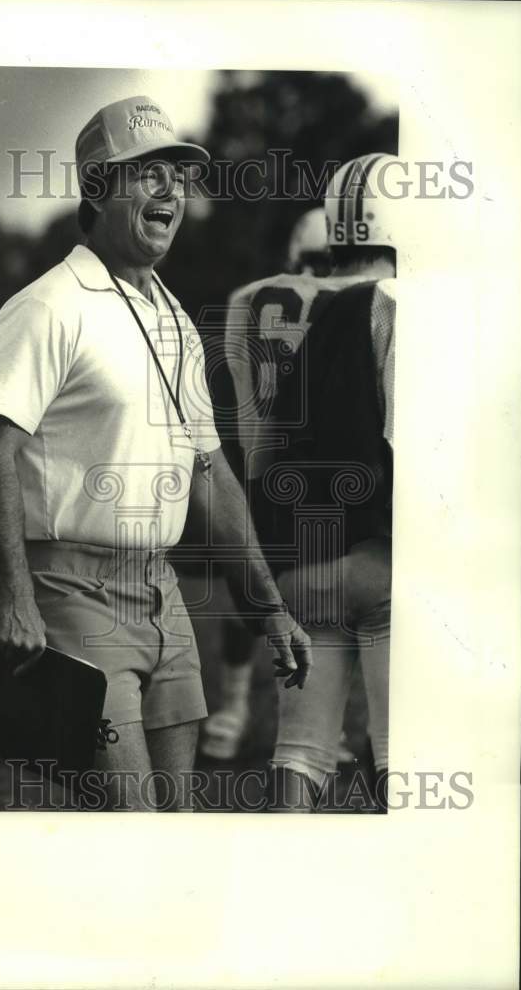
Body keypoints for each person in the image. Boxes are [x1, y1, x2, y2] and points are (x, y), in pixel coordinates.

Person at [0, 95, 311, 812]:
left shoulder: (174, 315)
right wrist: (16, 599)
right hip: (72, 593)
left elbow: (210, 475)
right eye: (147, 173)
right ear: (97, 188)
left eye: (178, 178)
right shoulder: (47, 306)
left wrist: (268, 608)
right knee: (128, 821)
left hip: (164, 593)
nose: (171, 193)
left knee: (179, 819)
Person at [207, 155, 396, 811]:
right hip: (368, 535)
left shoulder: (248, 300)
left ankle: (231, 716)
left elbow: (249, 415)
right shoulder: (381, 306)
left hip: (282, 510)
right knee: (399, 740)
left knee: (300, 749)